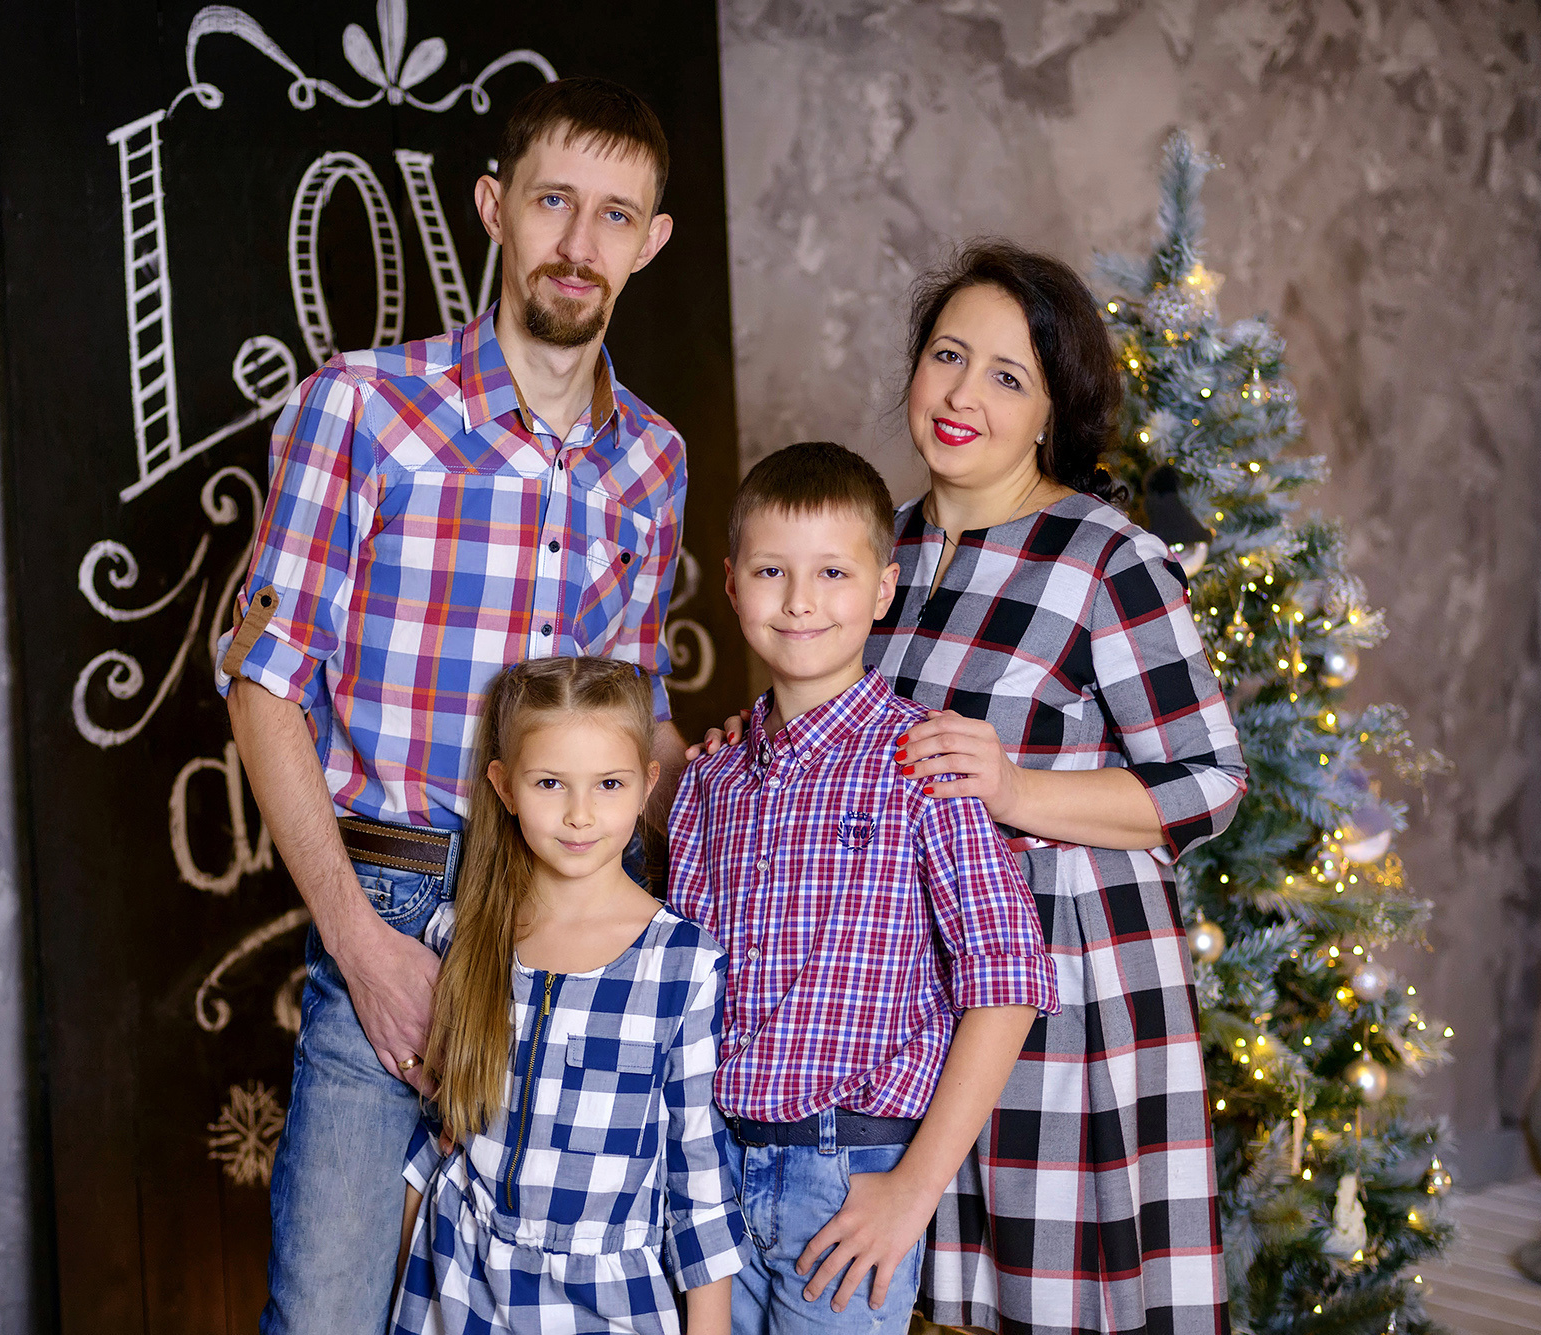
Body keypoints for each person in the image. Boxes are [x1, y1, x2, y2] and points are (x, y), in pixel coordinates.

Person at [218, 76, 693, 1333]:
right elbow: (261, 689)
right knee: (327, 1309)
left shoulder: (655, 460)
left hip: (567, 915)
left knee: (545, 1305)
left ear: (650, 242)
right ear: (493, 208)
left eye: (613, 217)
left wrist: (796, 762)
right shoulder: (362, 407)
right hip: (393, 899)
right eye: (552, 203)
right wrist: (361, 947)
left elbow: (630, 717)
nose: (578, 245)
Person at [878, 243, 1246, 1335]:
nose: (960, 394)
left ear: (1048, 411)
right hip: (908, 978)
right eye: (947, 355)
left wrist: (1019, 789)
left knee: (1054, 1296)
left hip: (1064, 984)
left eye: (1005, 375)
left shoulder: (1103, 559)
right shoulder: (874, 547)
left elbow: (1209, 781)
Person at [667, 441, 1059, 1335]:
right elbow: (679, 992)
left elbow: (1009, 980)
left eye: (833, 573)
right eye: (772, 571)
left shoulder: (925, 762)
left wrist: (913, 1191)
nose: (800, 601)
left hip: (851, 1180)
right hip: (714, 1175)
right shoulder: (708, 784)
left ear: (883, 589)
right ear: (731, 586)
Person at [390, 656, 746, 1335]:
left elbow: (697, 1178)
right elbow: (437, 1135)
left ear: (646, 785)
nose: (580, 814)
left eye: (608, 783)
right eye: (550, 782)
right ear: (505, 786)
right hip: (460, 1282)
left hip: (606, 1302)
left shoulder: (682, 963)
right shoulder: (466, 933)